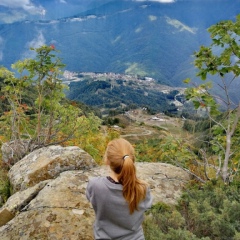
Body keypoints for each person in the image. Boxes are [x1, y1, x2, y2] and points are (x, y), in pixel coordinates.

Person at [86, 138, 153, 240]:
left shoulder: (95, 185)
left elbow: (90, 197)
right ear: (132, 160)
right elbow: (147, 206)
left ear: (107, 160)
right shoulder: (143, 189)